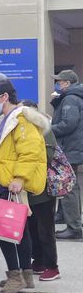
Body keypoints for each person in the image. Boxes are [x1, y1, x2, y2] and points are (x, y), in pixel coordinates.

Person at [0, 80, 47, 293]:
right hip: (6, 182)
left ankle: (17, 275)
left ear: (4, 96)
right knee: (17, 229)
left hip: (11, 185)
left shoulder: (21, 120)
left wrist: (20, 178)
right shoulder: (7, 120)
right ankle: (25, 275)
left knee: (6, 231)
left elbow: (30, 151)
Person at [21, 99, 61, 281]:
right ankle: (38, 260)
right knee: (32, 227)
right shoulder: (22, 130)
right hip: (30, 189)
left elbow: (49, 155)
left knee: (45, 229)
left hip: (44, 188)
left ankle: (52, 266)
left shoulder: (44, 130)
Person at [51, 69, 83, 239]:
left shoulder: (70, 98)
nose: (58, 84)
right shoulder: (74, 96)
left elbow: (68, 124)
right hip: (75, 146)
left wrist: (48, 129)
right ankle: (72, 220)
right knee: (73, 184)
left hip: (70, 147)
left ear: (67, 83)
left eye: (60, 81)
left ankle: (74, 227)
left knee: (69, 186)